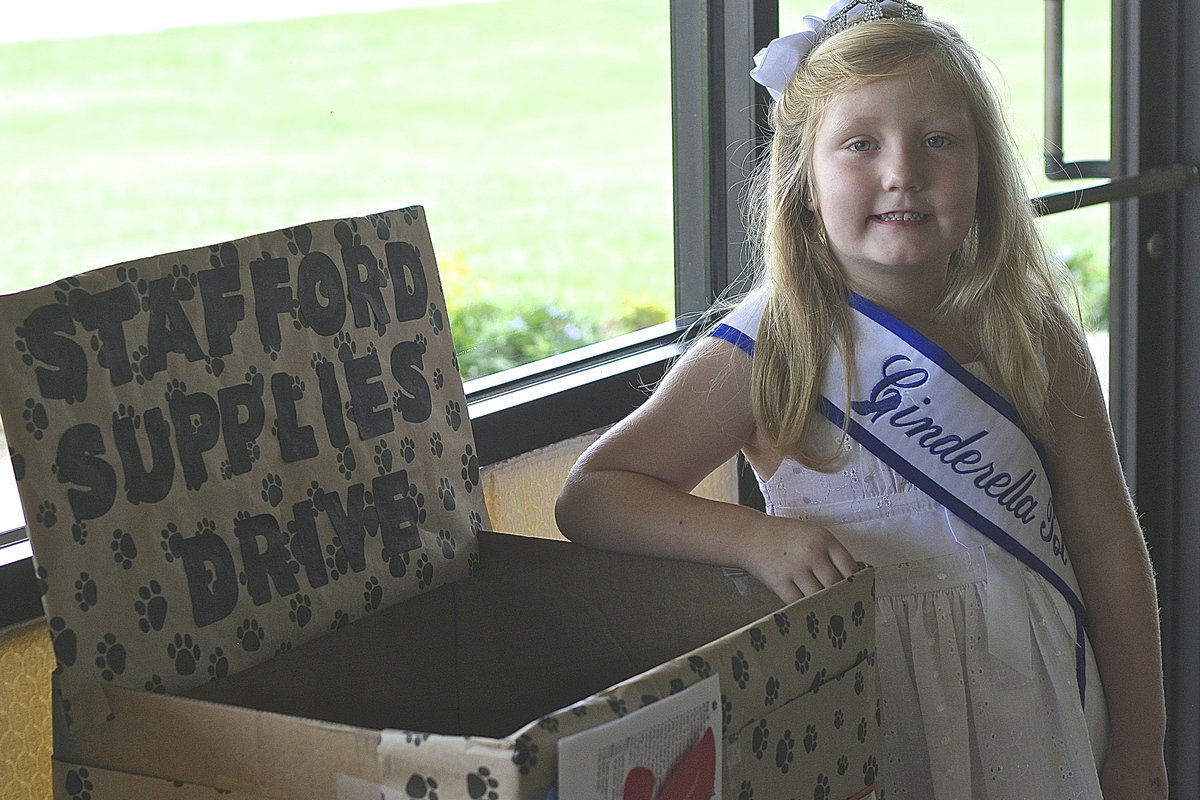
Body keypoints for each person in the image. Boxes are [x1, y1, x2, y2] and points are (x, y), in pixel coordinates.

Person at [554, 1, 1168, 797]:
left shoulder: (1030, 330)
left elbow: (1109, 545)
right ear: (803, 178)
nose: (903, 171)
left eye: (939, 140)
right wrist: (753, 540)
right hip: (857, 706)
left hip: (1040, 699)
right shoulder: (773, 344)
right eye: (860, 144)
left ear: (983, 170)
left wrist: (1141, 744)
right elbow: (593, 497)